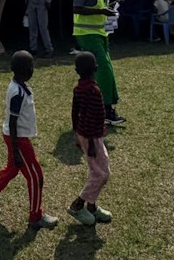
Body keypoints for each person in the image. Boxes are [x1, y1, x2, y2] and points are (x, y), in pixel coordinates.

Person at [0, 51, 58, 230]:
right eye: (32, 67)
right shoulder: (17, 92)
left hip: (16, 137)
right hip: (18, 139)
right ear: (26, 70)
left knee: (11, 170)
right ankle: (36, 216)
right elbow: (13, 121)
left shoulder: (19, 86)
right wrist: (17, 149)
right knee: (36, 177)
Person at [73, 0, 125, 125]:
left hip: (101, 32)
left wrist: (108, 9)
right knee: (103, 69)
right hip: (87, 34)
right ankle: (105, 110)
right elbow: (77, 8)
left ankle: (104, 107)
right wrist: (102, 12)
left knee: (107, 68)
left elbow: (97, 5)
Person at [68, 52, 113, 226]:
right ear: (96, 69)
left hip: (85, 134)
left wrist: (76, 133)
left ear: (76, 71)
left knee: (97, 171)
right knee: (102, 174)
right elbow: (94, 117)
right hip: (91, 136)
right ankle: (78, 204)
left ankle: (92, 206)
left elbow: (75, 112)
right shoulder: (94, 91)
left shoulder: (78, 89)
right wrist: (91, 142)